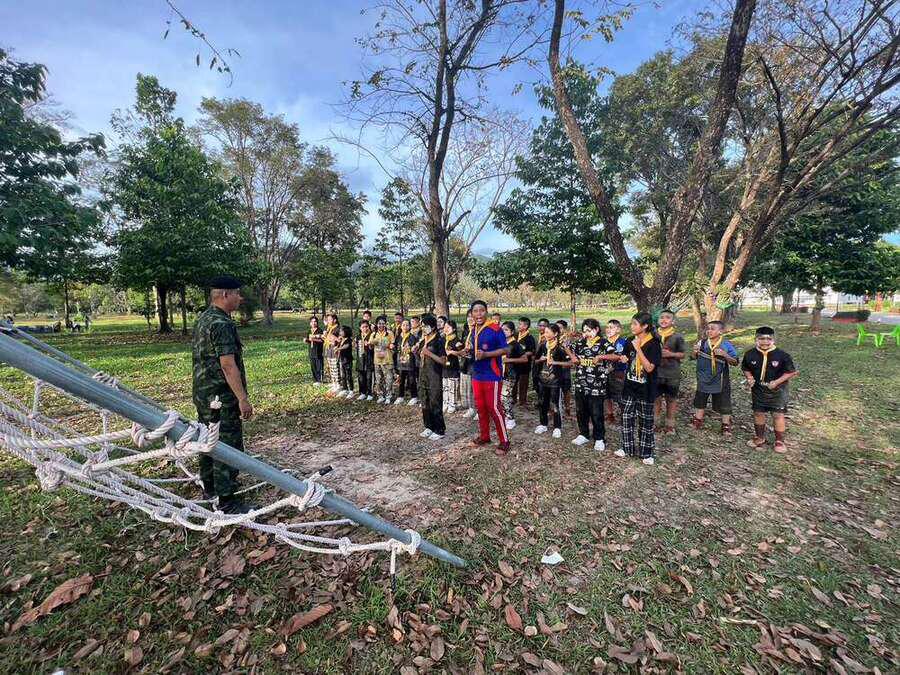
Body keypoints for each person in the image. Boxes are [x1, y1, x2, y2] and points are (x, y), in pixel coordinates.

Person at [191, 275, 254, 514]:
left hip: (204, 394)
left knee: (208, 439)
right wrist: (242, 398)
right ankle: (227, 500)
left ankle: (210, 489)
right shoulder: (221, 324)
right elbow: (228, 365)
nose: (240, 297)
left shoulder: (204, 318)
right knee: (226, 444)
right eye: (237, 293)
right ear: (225, 294)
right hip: (221, 397)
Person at [614, 312, 662, 466]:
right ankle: (626, 448)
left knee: (645, 421)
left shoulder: (654, 344)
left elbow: (649, 368)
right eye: (632, 323)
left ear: (645, 326)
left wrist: (638, 349)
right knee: (626, 417)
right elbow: (626, 357)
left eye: (635, 324)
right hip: (630, 386)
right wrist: (624, 358)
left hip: (646, 388)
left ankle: (647, 453)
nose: (632, 326)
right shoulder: (630, 340)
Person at [741, 327, 798, 453]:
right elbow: (745, 368)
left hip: (778, 391)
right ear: (756, 339)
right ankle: (759, 437)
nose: (765, 342)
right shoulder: (749, 354)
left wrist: (777, 382)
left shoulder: (782, 355)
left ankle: (779, 441)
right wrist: (749, 377)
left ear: (774, 340)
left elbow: (791, 372)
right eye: (761, 339)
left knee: (777, 415)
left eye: (769, 339)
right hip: (758, 389)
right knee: (758, 413)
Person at [468, 300, 510, 454]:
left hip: (492, 374)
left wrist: (487, 354)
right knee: (481, 407)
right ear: (472, 313)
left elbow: (506, 350)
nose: (478, 314)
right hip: (477, 374)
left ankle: (504, 441)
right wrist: (467, 352)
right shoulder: (473, 329)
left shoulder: (495, 329)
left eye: (481, 310)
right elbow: (474, 349)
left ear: (486, 312)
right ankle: (485, 436)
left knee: (494, 408)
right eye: (475, 311)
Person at [565, 318, 610, 451]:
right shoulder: (580, 343)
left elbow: (616, 356)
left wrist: (601, 357)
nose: (587, 334)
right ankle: (583, 434)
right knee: (581, 411)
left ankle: (599, 438)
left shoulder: (603, 343)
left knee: (596, 412)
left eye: (589, 330)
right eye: (584, 331)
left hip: (597, 384)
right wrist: (572, 356)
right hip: (581, 383)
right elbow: (566, 346)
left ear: (596, 329)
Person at [690, 320, 738, 437]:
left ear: (720, 331)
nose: (709, 331)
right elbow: (693, 357)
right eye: (708, 328)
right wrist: (694, 352)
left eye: (713, 329)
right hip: (703, 376)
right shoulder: (702, 342)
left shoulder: (726, 344)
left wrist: (725, 355)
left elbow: (735, 362)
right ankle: (697, 420)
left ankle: (725, 425)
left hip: (720, 378)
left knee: (724, 401)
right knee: (700, 398)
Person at [535, 324, 571, 438]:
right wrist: (540, 360)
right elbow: (535, 361)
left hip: (555, 381)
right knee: (542, 403)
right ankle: (543, 424)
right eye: (545, 332)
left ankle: (557, 427)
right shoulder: (542, 346)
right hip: (542, 379)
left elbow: (570, 363)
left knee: (555, 403)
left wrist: (555, 362)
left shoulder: (560, 348)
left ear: (555, 334)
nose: (545, 334)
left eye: (548, 332)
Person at [654, 309, 686, 435]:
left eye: (667, 317)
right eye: (661, 317)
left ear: (673, 321)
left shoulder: (677, 337)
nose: (664, 320)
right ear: (658, 320)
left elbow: (683, 354)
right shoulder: (653, 335)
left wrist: (670, 354)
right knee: (656, 399)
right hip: (656, 373)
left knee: (671, 400)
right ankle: (655, 423)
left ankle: (670, 425)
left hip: (672, 374)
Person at [418, 315, 447, 440]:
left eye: (426, 326)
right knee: (425, 402)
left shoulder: (439, 341)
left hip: (434, 375)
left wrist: (428, 353)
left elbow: (443, 361)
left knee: (435, 402)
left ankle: (439, 430)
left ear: (433, 327)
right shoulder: (423, 340)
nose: (423, 328)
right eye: (422, 326)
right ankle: (429, 426)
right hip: (423, 374)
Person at [500, 321, 528, 430]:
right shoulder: (501, 342)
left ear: (512, 332)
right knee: (500, 397)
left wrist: (509, 360)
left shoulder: (515, 344)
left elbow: (524, 359)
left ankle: (510, 418)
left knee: (505, 397)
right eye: (502, 329)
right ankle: (504, 416)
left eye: (506, 330)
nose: (503, 332)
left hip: (510, 374)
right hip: (499, 374)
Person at [604, 320, 628, 425]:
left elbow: (619, 356)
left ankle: (625, 416)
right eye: (607, 327)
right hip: (604, 372)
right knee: (606, 395)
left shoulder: (622, 342)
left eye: (612, 327)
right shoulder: (603, 342)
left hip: (618, 373)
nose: (608, 330)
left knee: (620, 396)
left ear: (618, 330)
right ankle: (610, 415)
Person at [454, 311, 476, 419]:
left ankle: (479, 410)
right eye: (468, 317)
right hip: (466, 363)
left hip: (476, 363)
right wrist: (461, 347)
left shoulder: (479, 331)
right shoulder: (466, 331)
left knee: (475, 388)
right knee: (468, 387)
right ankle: (471, 408)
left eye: (472, 317)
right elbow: (465, 346)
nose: (470, 319)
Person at [370, 316, 395, 403]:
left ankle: (388, 396)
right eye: (379, 323)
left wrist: (390, 345)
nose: (381, 325)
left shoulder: (390, 333)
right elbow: (370, 345)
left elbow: (393, 344)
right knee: (378, 379)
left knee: (388, 379)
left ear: (385, 324)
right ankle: (380, 395)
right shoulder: (373, 334)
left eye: (383, 323)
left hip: (387, 359)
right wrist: (372, 342)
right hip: (377, 360)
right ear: (376, 324)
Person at [555, 319, 574, 419]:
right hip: (555, 368)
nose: (558, 330)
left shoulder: (568, 341)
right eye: (556, 328)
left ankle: (567, 409)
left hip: (565, 367)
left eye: (560, 328)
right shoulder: (553, 339)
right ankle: (556, 409)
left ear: (565, 329)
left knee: (566, 389)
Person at [442, 320, 462, 413]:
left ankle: (452, 404)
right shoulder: (443, 339)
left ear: (454, 329)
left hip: (453, 367)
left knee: (452, 386)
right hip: (444, 367)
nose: (446, 329)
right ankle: (445, 403)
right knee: (445, 386)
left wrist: (451, 352)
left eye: (448, 327)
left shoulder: (457, 341)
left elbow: (462, 353)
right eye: (445, 327)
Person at [515, 317, 536, 405]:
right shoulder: (515, 335)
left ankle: (522, 401)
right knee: (514, 382)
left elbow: (531, 351)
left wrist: (521, 355)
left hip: (524, 365)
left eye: (520, 324)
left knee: (523, 383)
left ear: (526, 326)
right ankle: (513, 399)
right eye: (518, 324)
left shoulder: (529, 338)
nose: (518, 326)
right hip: (514, 364)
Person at [532, 318, 551, 410]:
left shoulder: (548, 339)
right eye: (540, 325)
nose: (542, 327)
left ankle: (544, 403)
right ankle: (540, 400)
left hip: (544, 366)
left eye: (544, 326)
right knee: (536, 383)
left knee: (543, 384)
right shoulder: (536, 337)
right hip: (536, 364)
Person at [355, 319, 375, 400]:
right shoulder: (358, 336)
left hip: (369, 358)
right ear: (360, 328)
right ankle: (362, 392)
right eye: (363, 327)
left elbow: (373, 347)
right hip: (360, 359)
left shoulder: (372, 335)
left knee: (369, 377)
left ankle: (370, 393)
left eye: (366, 326)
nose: (365, 328)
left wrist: (370, 345)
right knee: (361, 377)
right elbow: (356, 347)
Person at [323, 313, 342, 394]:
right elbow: (327, 339)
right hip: (329, 349)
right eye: (327, 319)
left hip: (335, 350)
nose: (328, 321)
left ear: (335, 320)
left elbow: (339, 340)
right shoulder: (329, 328)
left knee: (335, 367)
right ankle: (334, 383)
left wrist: (332, 338)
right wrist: (325, 336)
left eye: (330, 319)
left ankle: (339, 385)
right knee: (331, 367)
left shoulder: (338, 329)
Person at [305, 316, 325, 385]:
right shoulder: (309, 331)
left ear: (317, 322)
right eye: (312, 322)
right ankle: (315, 380)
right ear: (310, 323)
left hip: (318, 351)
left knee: (319, 366)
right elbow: (309, 340)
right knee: (313, 366)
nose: (313, 323)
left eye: (315, 321)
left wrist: (314, 339)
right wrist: (306, 340)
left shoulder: (320, 331)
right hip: (311, 351)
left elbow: (322, 341)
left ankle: (320, 380)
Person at [336, 325, 354, 397]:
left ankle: (351, 390)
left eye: (342, 331)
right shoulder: (341, 340)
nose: (340, 332)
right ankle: (345, 389)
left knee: (348, 375)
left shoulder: (349, 339)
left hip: (348, 360)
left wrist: (339, 349)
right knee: (343, 375)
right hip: (341, 359)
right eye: (340, 331)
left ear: (346, 332)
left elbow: (347, 346)